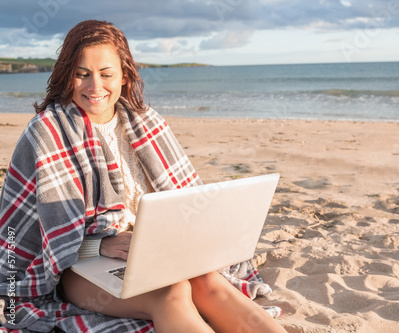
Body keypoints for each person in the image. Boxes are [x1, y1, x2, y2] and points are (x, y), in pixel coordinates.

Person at [0, 20, 286, 333]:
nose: (95, 86)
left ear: (124, 75)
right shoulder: (46, 132)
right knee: (172, 294)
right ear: (68, 75)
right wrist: (100, 246)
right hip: (81, 267)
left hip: (155, 251)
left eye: (106, 74)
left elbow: (183, 198)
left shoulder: (147, 123)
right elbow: (45, 241)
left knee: (209, 282)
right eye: (82, 73)